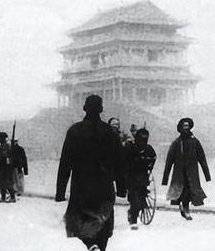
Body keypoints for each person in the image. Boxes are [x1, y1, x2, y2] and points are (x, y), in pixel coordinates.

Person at [56, 95, 125, 251]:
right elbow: (120, 163)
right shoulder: (110, 132)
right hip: (104, 186)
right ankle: (98, 247)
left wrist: (60, 191)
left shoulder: (74, 131)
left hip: (82, 186)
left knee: (80, 222)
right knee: (103, 223)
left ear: (84, 108)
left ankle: (91, 245)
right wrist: (122, 188)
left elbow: (65, 163)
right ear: (101, 109)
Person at [161, 117, 211, 221]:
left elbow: (202, 157)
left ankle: (186, 209)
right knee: (180, 191)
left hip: (191, 172)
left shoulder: (195, 142)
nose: (186, 128)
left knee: (189, 191)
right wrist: (165, 178)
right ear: (180, 128)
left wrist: (207, 175)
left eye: (188, 126)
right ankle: (184, 208)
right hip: (180, 172)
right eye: (184, 126)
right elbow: (169, 161)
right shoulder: (176, 143)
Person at [123, 128, 156, 230]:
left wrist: (148, 165)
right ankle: (133, 219)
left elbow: (154, 158)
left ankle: (134, 213)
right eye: (141, 138)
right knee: (134, 197)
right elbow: (124, 160)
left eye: (145, 138)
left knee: (142, 196)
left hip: (143, 176)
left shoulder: (148, 148)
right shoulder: (130, 147)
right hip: (131, 176)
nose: (143, 140)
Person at [0, 132, 16, 203]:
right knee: (2, 183)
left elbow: (5, 157)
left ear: (2, 138)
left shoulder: (6, 146)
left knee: (7, 182)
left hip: (5, 167)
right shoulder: (2, 146)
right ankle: (3, 197)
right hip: (2, 166)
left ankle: (12, 197)